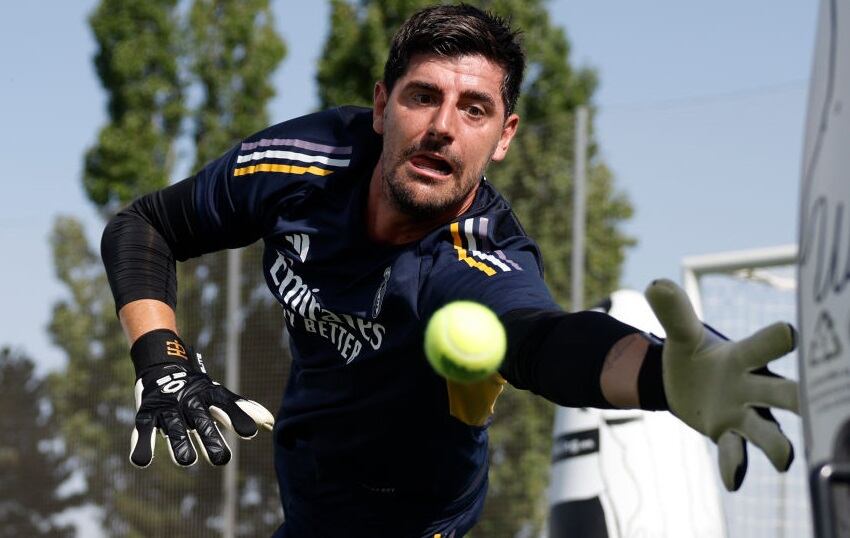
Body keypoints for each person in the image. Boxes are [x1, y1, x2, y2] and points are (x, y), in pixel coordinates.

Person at [100, 4, 799, 537]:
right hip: (309, 512)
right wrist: (162, 361)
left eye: (474, 110)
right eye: (422, 96)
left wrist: (659, 377)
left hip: (417, 523)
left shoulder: (478, 256)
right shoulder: (300, 166)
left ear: (504, 137)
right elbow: (146, 225)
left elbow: (543, 342)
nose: (443, 125)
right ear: (381, 106)